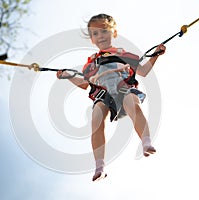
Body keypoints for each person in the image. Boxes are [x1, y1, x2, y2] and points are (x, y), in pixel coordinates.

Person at [56, 13, 166, 181]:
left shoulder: (123, 54)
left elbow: (143, 71)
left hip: (124, 88)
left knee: (132, 105)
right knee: (96, 120)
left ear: (113, 33)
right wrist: (68, 76)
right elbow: (85, 84)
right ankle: (99, 166)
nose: (100, 36)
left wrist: (156, 54)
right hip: (103, 94)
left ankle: (146, 142)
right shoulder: (90, 63)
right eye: (96, 33)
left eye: (104, 31)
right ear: (92, 39)